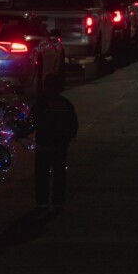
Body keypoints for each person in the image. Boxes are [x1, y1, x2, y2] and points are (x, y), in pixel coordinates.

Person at [31, 74, 78, 211]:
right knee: (59, 173)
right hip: (61, 144)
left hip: (44, 144)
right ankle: (58, 200)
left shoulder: (41, 103)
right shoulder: (66, 104)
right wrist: (70, 136)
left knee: (41, 174)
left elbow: (32, 122)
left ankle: (42, 201)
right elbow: (73, 124)